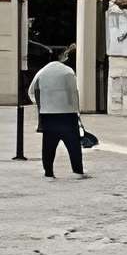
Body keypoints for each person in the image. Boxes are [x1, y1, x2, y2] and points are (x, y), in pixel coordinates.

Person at [28, 46, 87, 179]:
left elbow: (31, 91)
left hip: (48, 114)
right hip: (67, 113)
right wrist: (76, 111)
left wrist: (42, 103)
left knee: (48, 146)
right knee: (73, 145)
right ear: (62, 56)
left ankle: (49, 172)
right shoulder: (68, 71)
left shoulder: (42, 71)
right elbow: (74, 93)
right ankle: (78, 171)